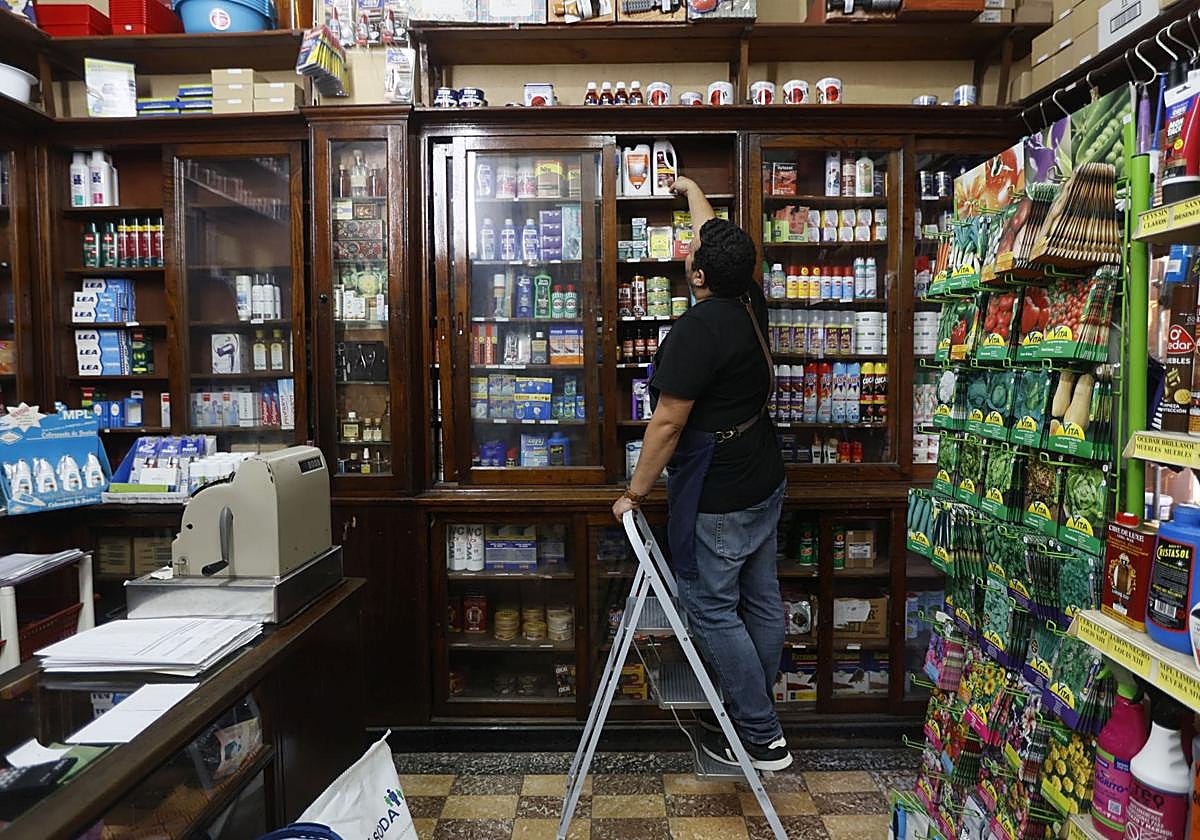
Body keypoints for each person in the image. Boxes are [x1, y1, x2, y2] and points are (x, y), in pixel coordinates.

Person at [611, 176, 790, 772]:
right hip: (764, 475)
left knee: (710, 608)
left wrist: (634, 492)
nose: (688, 252)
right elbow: (715, 233)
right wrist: (689, 188)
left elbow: (665, 426)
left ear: (698, 275)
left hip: (722, 493)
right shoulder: (749, 298)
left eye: (693, 252)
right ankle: (751, 712)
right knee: (761, 598)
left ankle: (760, 734)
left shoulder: (695, 331)